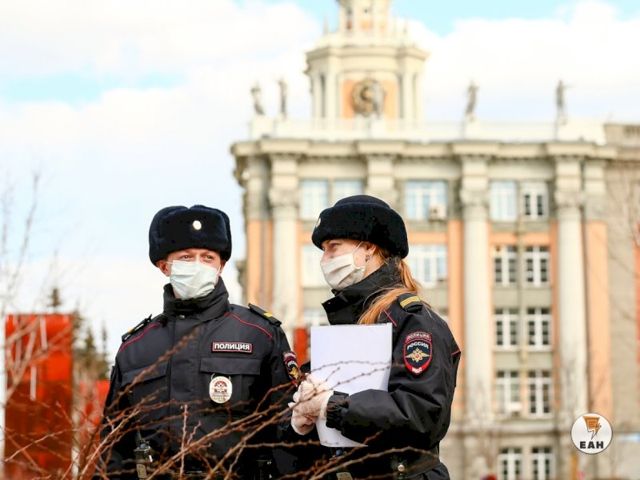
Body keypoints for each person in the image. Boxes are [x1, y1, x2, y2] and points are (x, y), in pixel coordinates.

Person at [96, 205, 299, 479]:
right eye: (186, 257)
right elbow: (113, 451)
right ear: (164, 266)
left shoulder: (258, 334)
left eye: (207, 257)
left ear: (221, 266)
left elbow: (288, 435)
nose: (198, 265)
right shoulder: (136, 348)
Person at [289, 195, 461, 479]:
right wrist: (301, 418)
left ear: (368, 248)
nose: (324, 259)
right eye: (323, 250)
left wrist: (331, 406)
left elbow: (420, 414)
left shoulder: (414, 322)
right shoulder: (346, 323)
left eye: (333, 247)